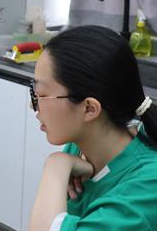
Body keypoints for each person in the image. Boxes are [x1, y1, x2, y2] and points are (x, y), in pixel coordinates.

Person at [29, 25, 157, 230]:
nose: (32, 105)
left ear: (89, 109)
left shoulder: (148, 185)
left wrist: (56, 165)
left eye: (42, 95)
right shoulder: (80, 144)